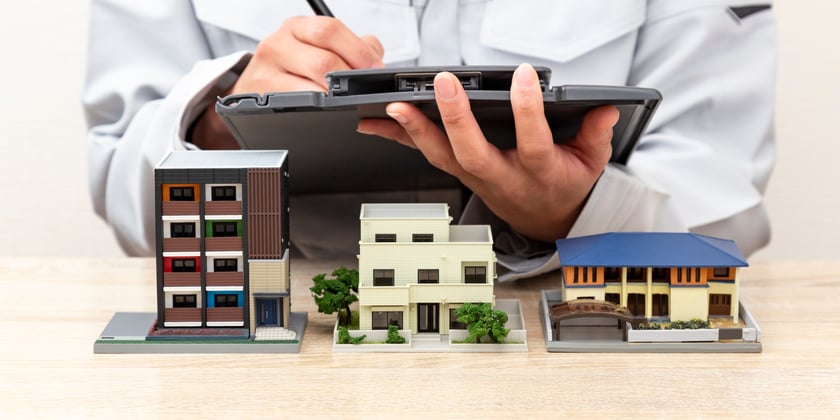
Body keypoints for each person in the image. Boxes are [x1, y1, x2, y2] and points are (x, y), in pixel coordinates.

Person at [83, 1, 776, 281]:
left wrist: (579, 219)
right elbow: (129, 201)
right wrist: (214, 126)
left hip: (577, 360)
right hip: (285, 364)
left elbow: (725, 205)